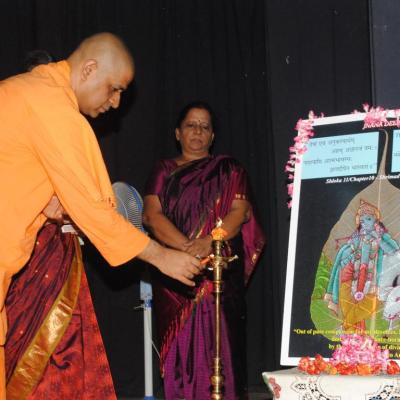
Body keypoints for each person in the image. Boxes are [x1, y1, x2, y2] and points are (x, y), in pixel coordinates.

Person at [0, 33, 202, 399]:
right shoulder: (52, 107)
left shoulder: (22, 91)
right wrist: (162, 257)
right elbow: (94, 209)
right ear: (89, 69)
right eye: (114, 89)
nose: (116, 102)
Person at [143, 101, 266, 400]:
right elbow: (151, 215)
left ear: (212, 137)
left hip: (219, 272)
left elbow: (241, 212)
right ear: (177, 133)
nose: (197, 131)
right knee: (181, 350)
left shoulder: (229, 168)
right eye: (191, 125)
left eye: (205, 126)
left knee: (222, 345)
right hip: (176, 273)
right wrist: (187, 248)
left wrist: (210, 242)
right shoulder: (164, 170)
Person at [324, 199, 399, 331]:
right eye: (362, 220)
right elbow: (346, 252)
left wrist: (378, 238)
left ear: (376, 221)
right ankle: (354, 337)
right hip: (351, 278)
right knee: (349, 308)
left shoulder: (382, 236)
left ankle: (344, 328)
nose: (364, 223)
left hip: (373, 281)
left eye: (368, 219)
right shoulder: (357, 237)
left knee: (367, 307)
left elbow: (393, 251)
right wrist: (348, 255)